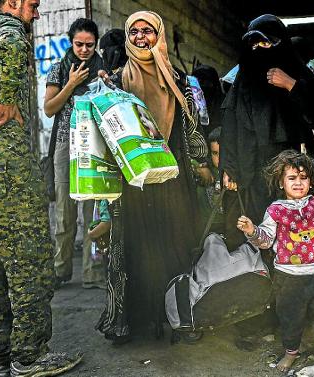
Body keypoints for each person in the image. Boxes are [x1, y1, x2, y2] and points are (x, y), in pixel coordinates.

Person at [95, 10, 208, 344]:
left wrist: (202, 164)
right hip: (133, 185)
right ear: (127, 38)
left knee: (176, 245)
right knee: (136, 248)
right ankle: (137, 321)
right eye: (134, 32)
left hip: (174, 181)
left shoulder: (180, 80)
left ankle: (180, 319)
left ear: (159, 35)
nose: (141, 38)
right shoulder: (115, 82)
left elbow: (195, 131)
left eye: (148, 31)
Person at [0, 0, 83, 376]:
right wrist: (7, 97)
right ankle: (28, 356)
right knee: (28, 260)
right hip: (5, 165)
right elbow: (12, 43)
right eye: (32, 5)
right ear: (11, 2)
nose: (37, 13)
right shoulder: (4, 28)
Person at [220, 14, 314, 251]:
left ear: (281, 44)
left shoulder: (297, 74)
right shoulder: (243, 82)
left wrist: (292, 85)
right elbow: (230, 126)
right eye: (253, 45)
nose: (259, 50)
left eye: (266, 43)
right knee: (255, 232)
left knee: (296, 236)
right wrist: (228, 167)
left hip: (294, 174)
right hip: (251, 173)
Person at [236, 150, 314, 372]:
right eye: (292, 178)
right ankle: (291, 351)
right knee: (289, 317)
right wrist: (252, 230)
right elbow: (264, 241)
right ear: (281, 183)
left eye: (303, 178)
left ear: (311, 181)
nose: (299, 183)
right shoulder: (275, 211)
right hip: (287, 278)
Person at [44, 18, 106, 290]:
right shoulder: (59, 68)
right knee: (64, 213)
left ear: (96, 45)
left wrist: (107, 84)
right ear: (71, 42)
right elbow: (49, 108)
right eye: (79, 44)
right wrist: (70, 84)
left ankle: (92, 272)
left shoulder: (102, 68)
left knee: (93, 213)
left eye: (89, 45)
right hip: (64, 146)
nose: (84, 50)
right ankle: (61, 269)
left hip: (95, 147)